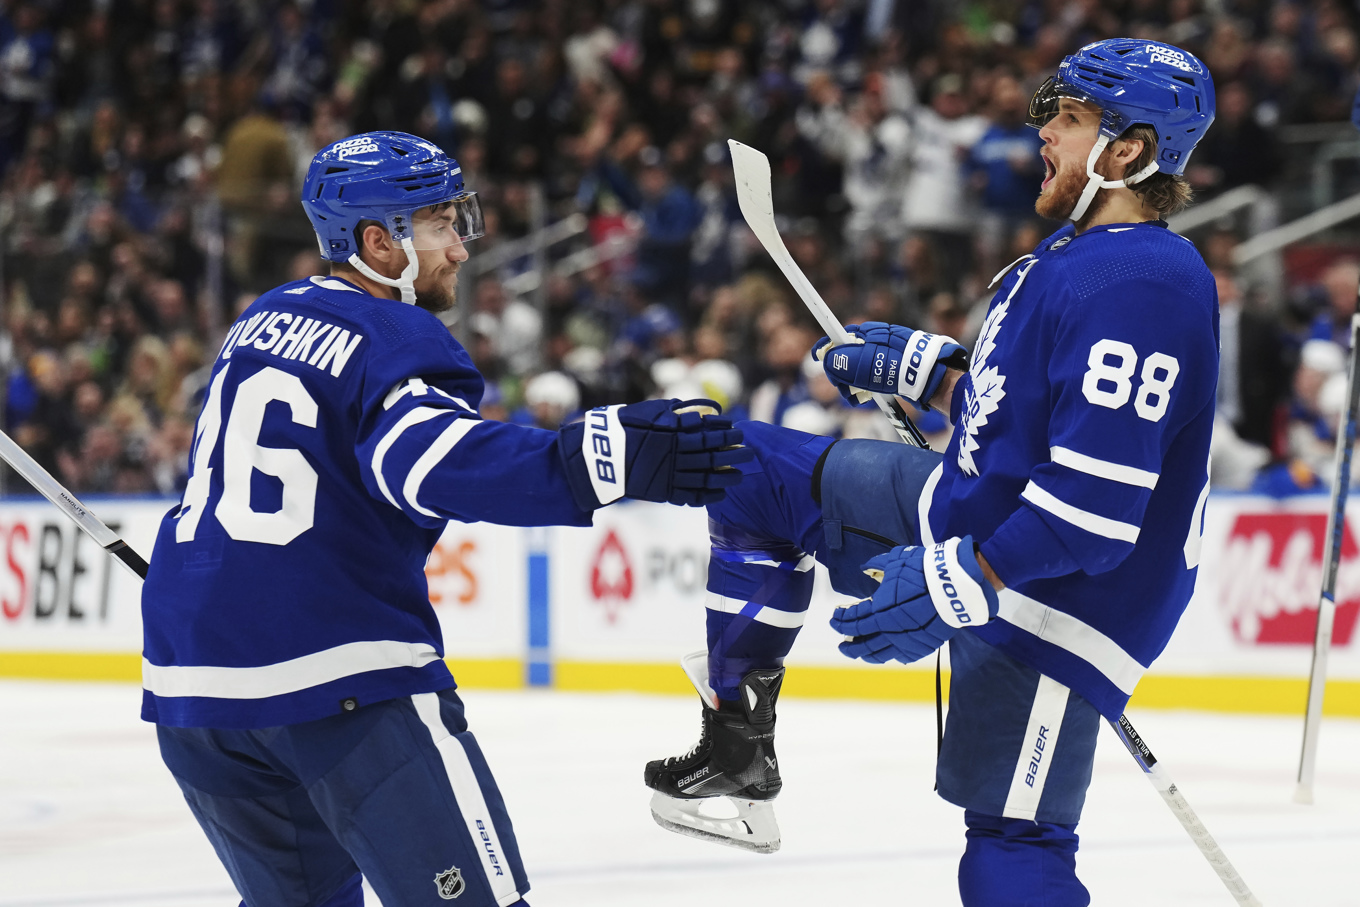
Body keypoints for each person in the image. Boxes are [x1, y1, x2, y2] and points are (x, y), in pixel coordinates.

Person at [644, 39, 1218, 906]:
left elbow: (1096, 508)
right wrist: (940, 373)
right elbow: (1023, 423)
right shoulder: (1071, 260)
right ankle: (739, 744)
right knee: (747, 470)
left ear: (1128, 149)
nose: (1046, 137)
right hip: (979, 520)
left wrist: (965, 578)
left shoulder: (1145, 281)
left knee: (1009, 845)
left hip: (1059, 592)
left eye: (1070, 120)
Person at [139, 131, 751, 907]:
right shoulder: (396, 334)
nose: (461, 247)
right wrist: (608, 456)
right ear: (376, 243)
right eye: (439, 225)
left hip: (192, 685)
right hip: (335, 677)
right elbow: (428, 461)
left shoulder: (259, 318)